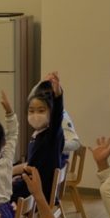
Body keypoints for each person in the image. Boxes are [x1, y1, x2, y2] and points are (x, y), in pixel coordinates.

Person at [12, 72, 64, 204]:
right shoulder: (38, 133)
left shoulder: (52, 135)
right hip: (34, 184)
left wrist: (58, 96)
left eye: (41, 110)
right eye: (31, 111)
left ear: (51, 112)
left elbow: (57, 116)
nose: (35, 115)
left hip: (39, 190)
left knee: (0, 190)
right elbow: (32, 164)